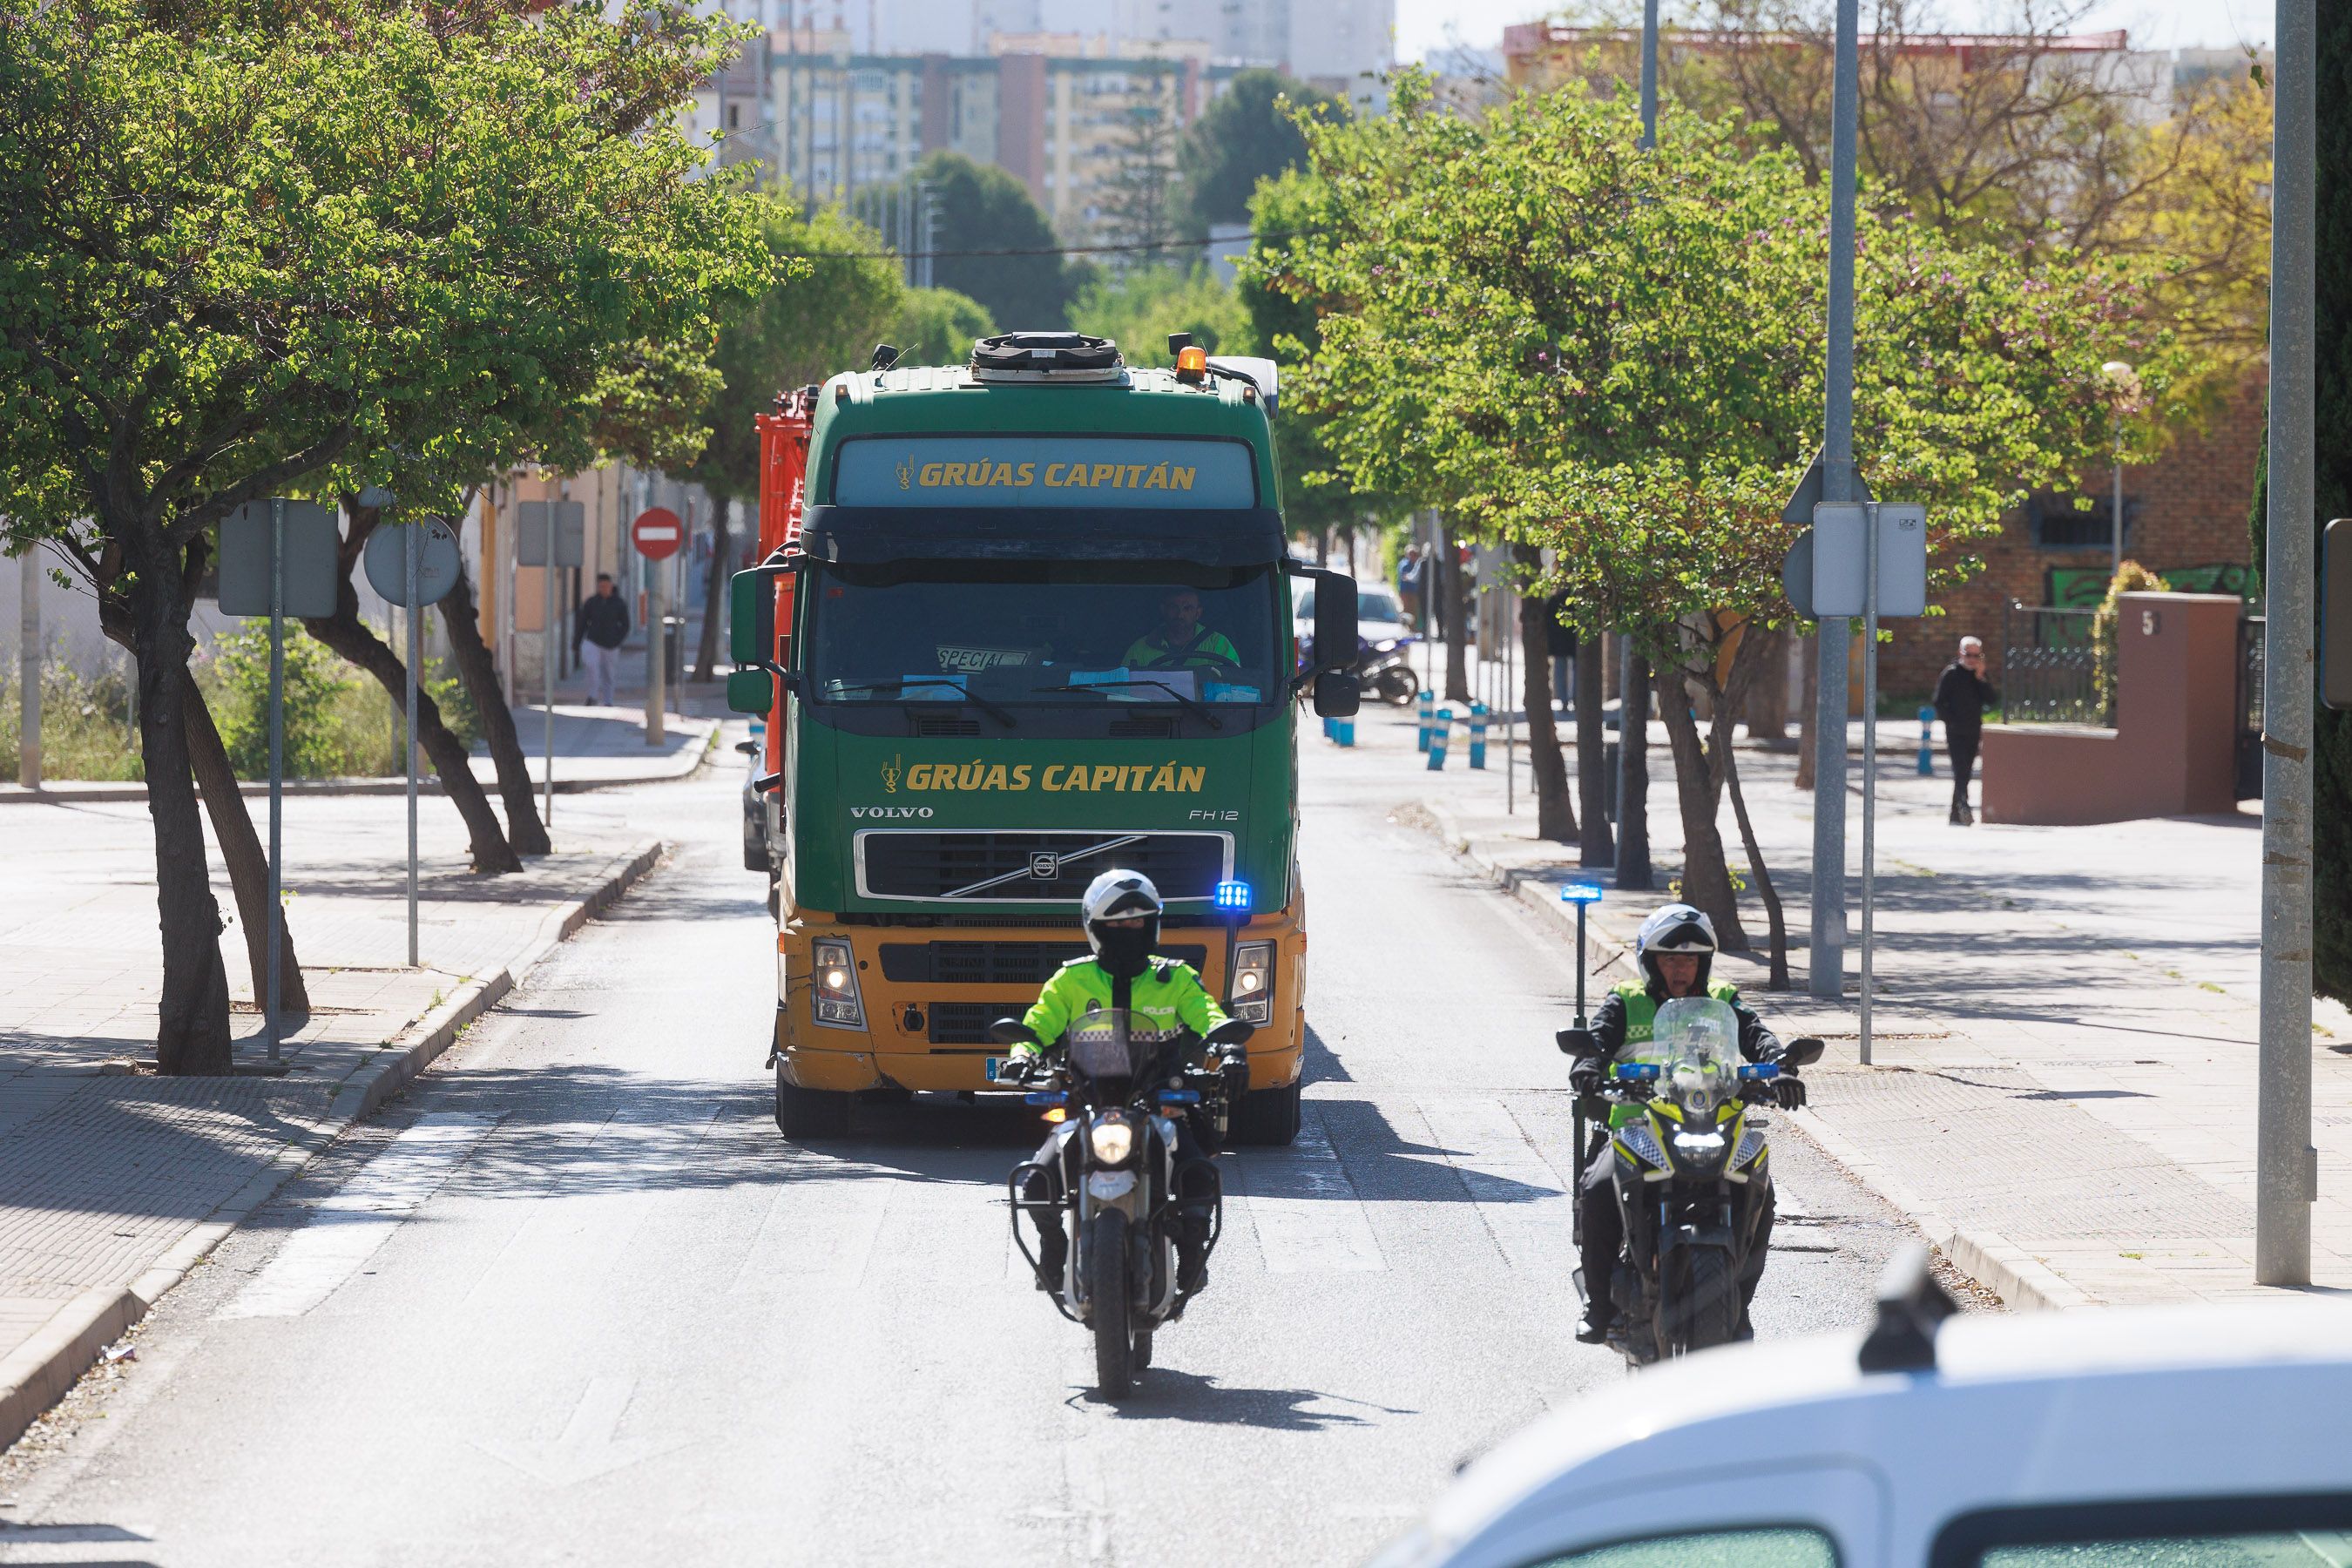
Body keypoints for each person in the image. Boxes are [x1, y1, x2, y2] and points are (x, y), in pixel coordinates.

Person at [1569, 902, 1804, 1344]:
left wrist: (1780, 1066)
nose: (1681, 970)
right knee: (1599, 1187)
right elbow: (1599, 1038)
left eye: (1691, 960)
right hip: (1637, 1125)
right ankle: (1600, 1304)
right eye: (1671, 960)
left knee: (1761, 1194)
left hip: (1713, 1119)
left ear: (1705, 962)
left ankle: (1737, 1306)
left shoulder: (1722, 1000)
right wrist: (1588, 1064)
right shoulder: (1627, 1000)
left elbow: (1757, 1036)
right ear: (1651, 963)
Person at [1004, 869, 1226, 1301]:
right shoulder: (1070, 981)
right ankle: (1055, 1247)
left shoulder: (1175, 978)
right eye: (1116, 925)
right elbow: (1035, 1026)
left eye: (1137, 922)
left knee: (1198, 1172)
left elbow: (1208, 1016)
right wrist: (1021, 1057)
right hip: (1087, 1104)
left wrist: (1230, 1049)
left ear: (1153, 925)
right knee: (1036, 1183)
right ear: (1095, 929)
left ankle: (1191, 1252)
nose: (1128, 931)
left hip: (1158, 1102)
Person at [1933, 636, 1998, 826]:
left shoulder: (1978, 675)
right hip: (1955, 731)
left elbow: (1992, 699)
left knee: (1967, 770)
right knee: (1960, 769)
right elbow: (1938, 701)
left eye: (1976, 655)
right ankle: (1964, 806)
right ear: (1960, 653)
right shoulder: (1951, 674)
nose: (1972, 659)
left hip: (1973, 729)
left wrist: (1981, 678)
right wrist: (1950, 721)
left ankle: (1955, 813)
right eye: (1969, 655)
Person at [1121, 587, 1240, 675]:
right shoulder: (1139, 649)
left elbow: (1235, 686)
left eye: (1187, 608)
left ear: (1198, 613)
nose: (1180, 615)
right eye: (1174, 607)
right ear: (1163, 610)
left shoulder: (1218, 644)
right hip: (1155, 710)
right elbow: (1122, 692)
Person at [574, 573, 630, 707]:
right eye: (600, 586)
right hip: (593, 641)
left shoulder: (619, 603)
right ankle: (592, 696)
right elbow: (582, 623)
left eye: (605, 586)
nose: (603, 589)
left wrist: (618, 640)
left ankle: (608, 700)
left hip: (611, 644)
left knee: (609, 673)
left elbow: (626, 625)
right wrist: (577, 641)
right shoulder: (592, 602)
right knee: (591, 667)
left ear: (611, 586)